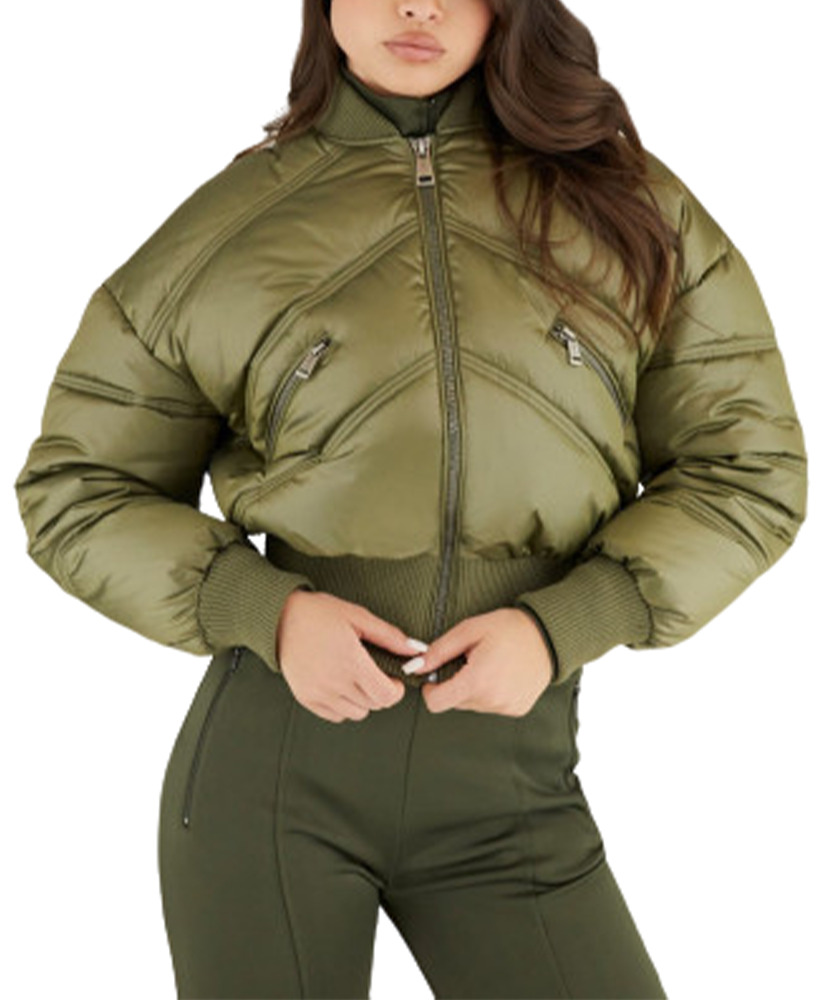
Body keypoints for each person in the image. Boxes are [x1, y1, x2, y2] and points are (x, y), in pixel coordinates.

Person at [13, 0, 808, 997]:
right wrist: (264, 610)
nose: (417, 6)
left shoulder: (632, 209)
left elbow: (748, 467)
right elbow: (78, 486)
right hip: (270, 789)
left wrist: (570, 621)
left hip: (516, 799)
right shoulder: (228, 231)